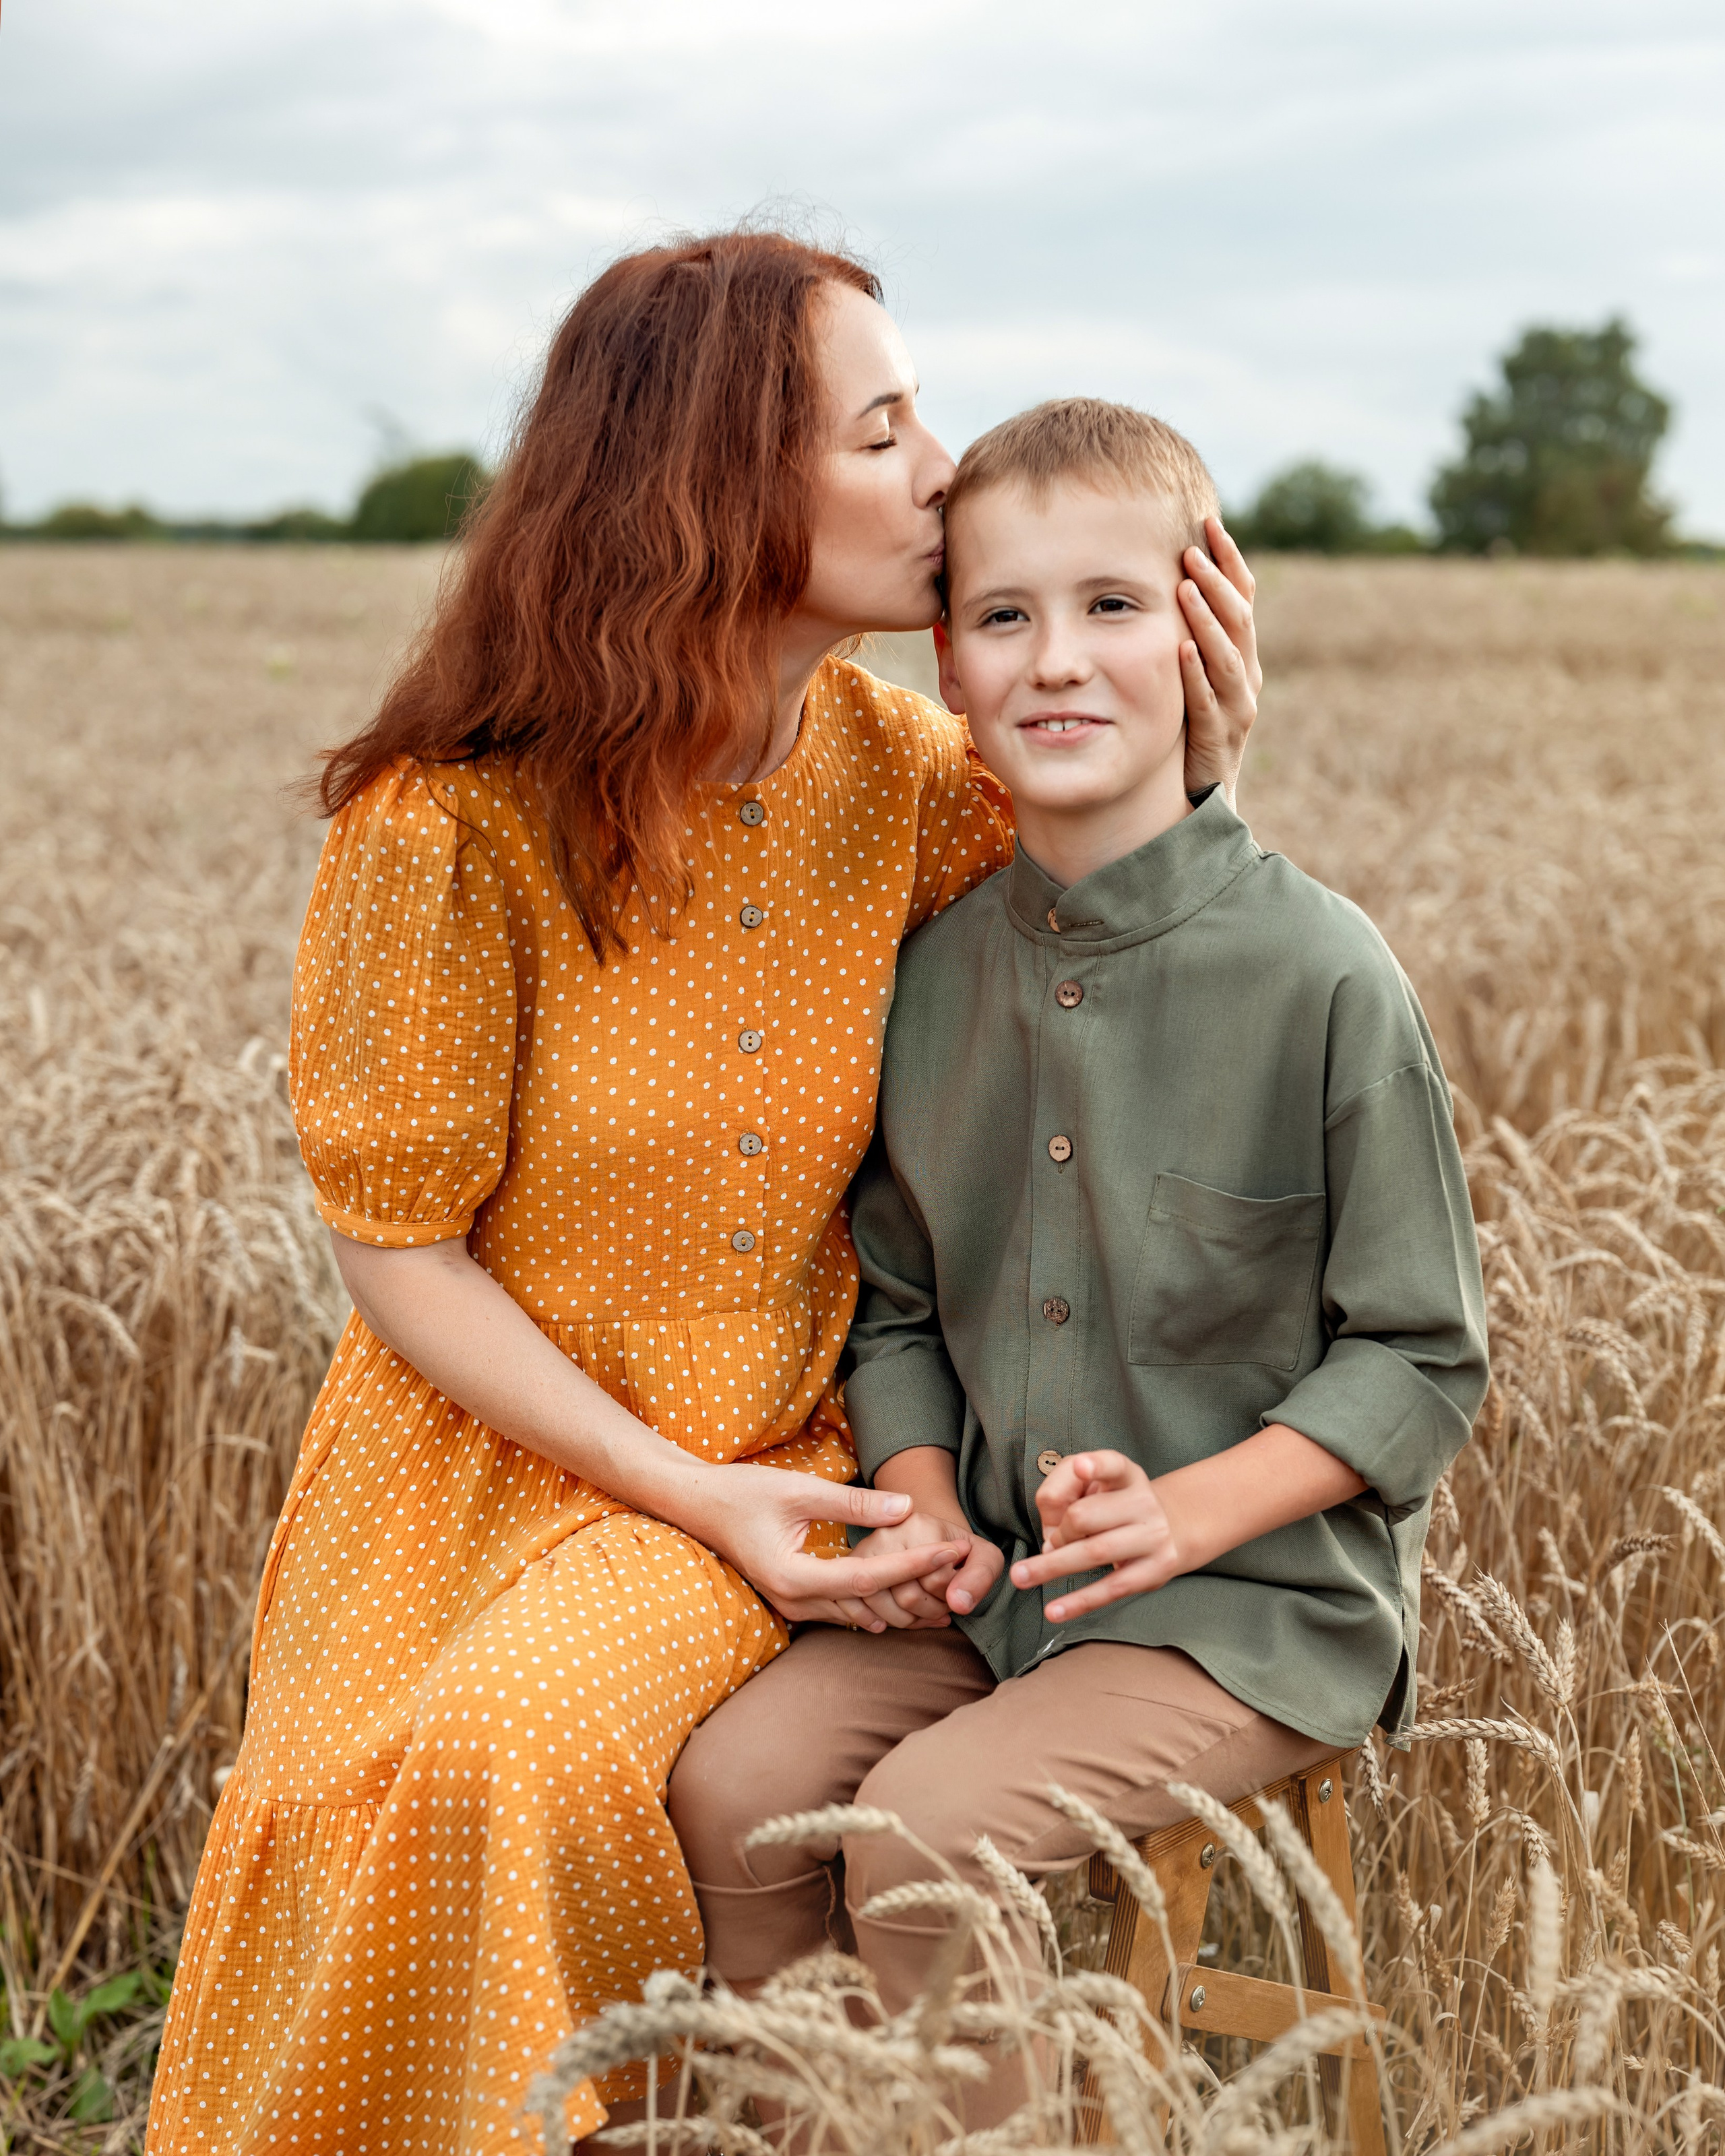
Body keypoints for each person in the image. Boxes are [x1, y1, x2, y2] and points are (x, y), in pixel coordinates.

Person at [148, 246, 1261, 2156]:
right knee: (387, 1769)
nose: (943, 473)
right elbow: (398, 1248)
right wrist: (684, 1491)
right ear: (713, 486)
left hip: (809, 1448)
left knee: (505, 1752)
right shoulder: (448, 822)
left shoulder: (919, 780)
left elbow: (1135, 1006)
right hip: (484, 1463)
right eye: (881, 431)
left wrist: (1194, 764)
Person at [668, 398, 1489, 2128]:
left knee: (921, 1834)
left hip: (1246, 1607)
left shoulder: (1321, 977)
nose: (1055, 659)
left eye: (1111, 606)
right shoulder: (934, 975)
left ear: (1203, 631)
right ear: (947, 672)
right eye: (1003, 614)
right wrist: (921, 1501)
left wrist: (1184, 1513)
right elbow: (896, 1302)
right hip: (995, 1586)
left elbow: (1419, 1355)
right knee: (737, 1788)